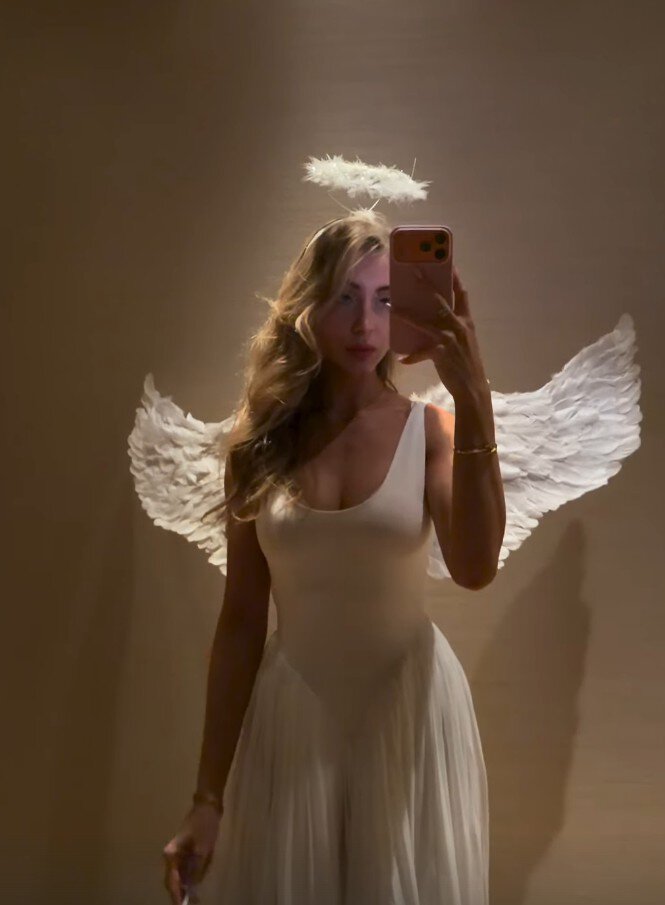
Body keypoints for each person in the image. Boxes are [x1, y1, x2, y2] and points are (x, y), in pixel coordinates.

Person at [160, 209, 506, 904]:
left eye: (385, 300)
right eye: (344, 298)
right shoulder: (257, 447)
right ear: (308, 307)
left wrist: (473, 395)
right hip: (294, 713)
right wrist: (206, 799)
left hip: (411, 711)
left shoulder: (432, 432)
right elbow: (240, 622)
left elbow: (474, 569)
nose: (364, 324)